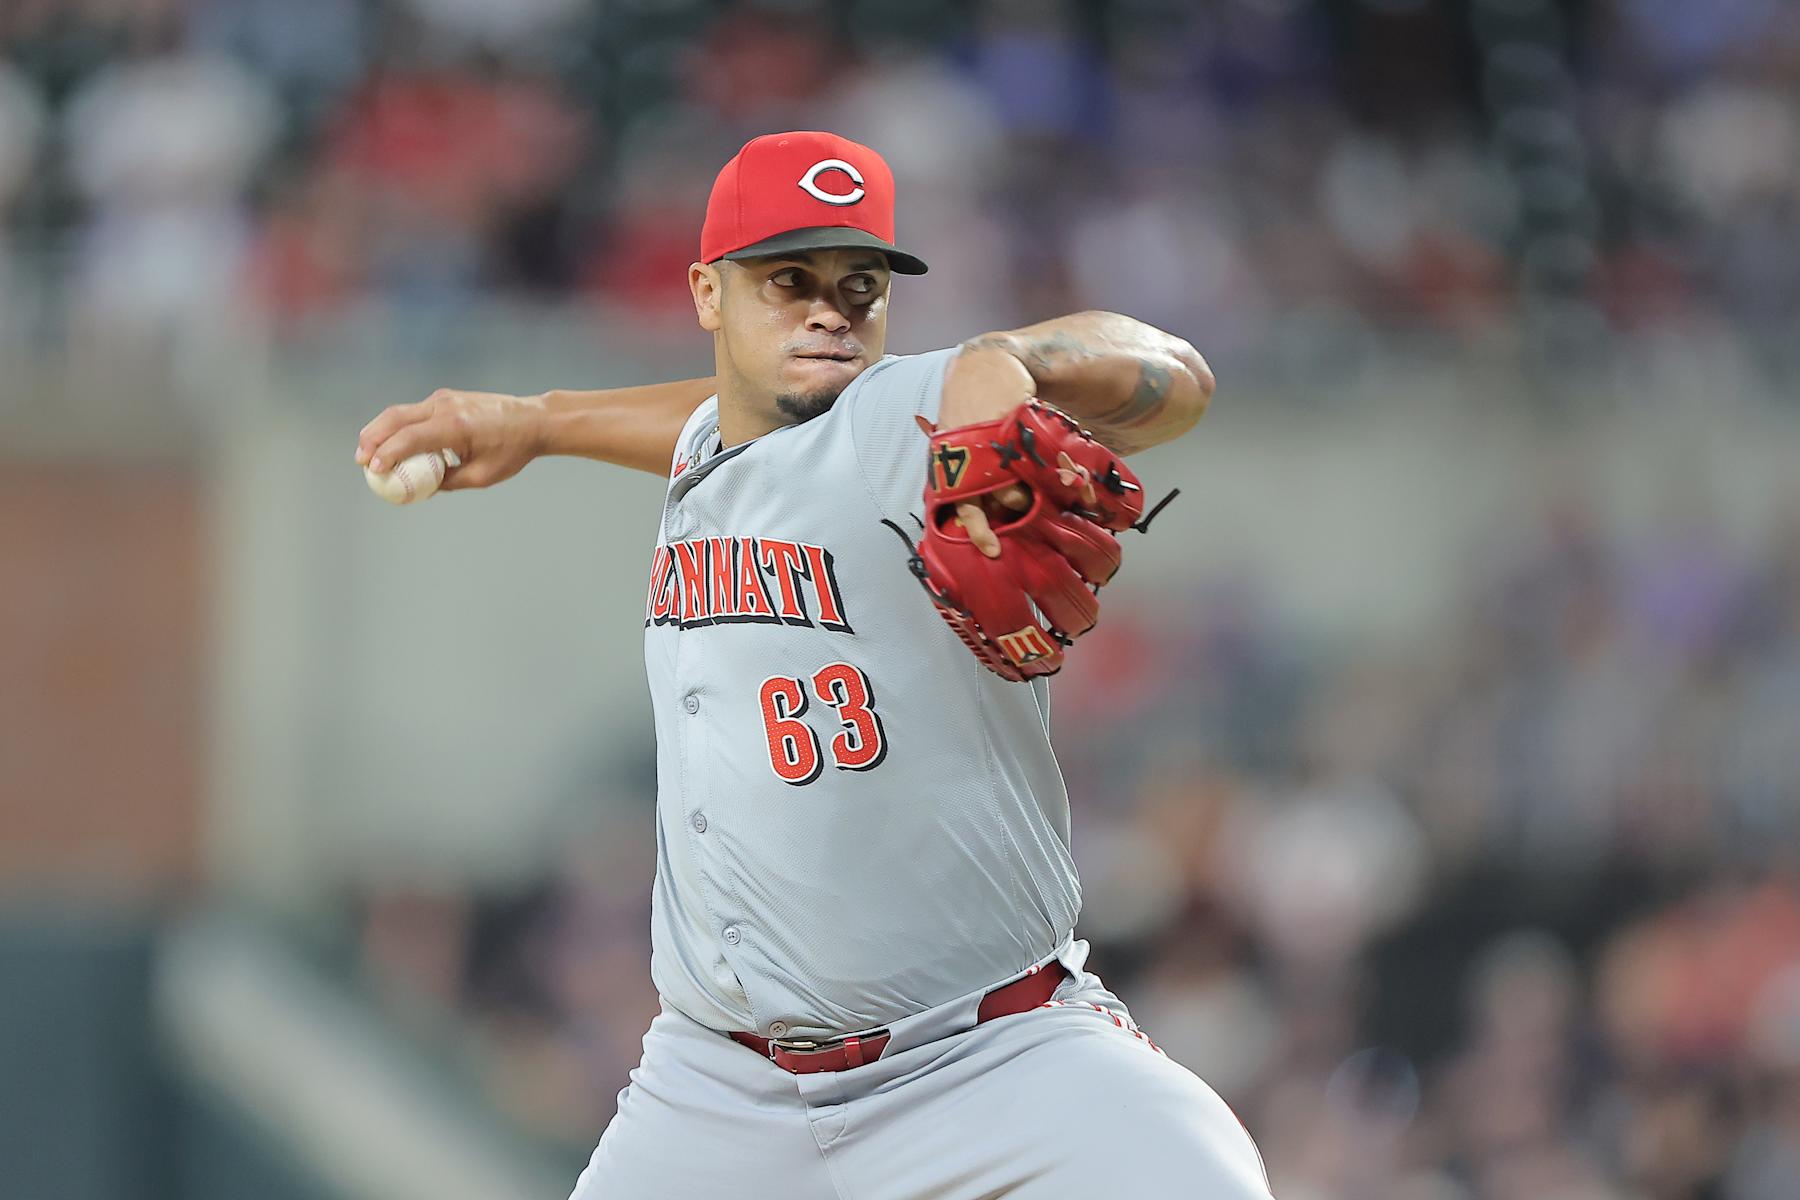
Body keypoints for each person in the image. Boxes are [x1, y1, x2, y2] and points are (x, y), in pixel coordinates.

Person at [356, 131, 1266, 1199]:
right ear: (708, 293)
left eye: (859, 284)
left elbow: (1183, 381)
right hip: (718, 1090)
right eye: (788, 281)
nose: (829, 310)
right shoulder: (715, 445)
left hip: (983, 1060)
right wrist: (539, 421)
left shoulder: (917, 409)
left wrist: (1019, 356)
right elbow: (705, 422)